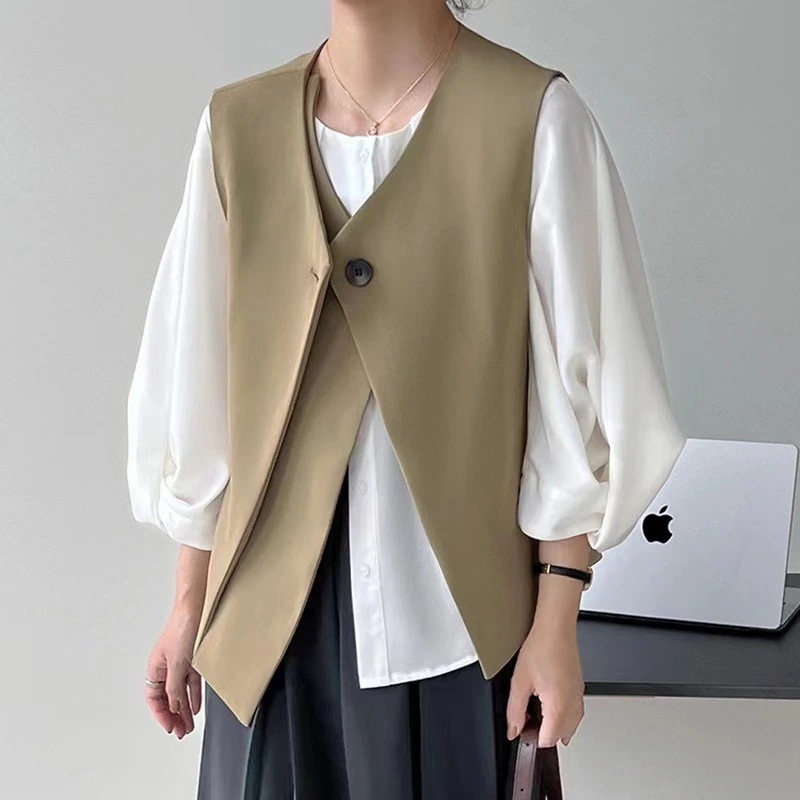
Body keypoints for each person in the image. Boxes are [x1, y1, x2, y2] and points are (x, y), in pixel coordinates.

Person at [126, 1, 686, 797]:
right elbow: (201, 390)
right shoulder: (235, 127)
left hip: (456, 631)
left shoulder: (532, 118)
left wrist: (555, 620)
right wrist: (189, 603)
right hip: (266, 641)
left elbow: (577, 397)